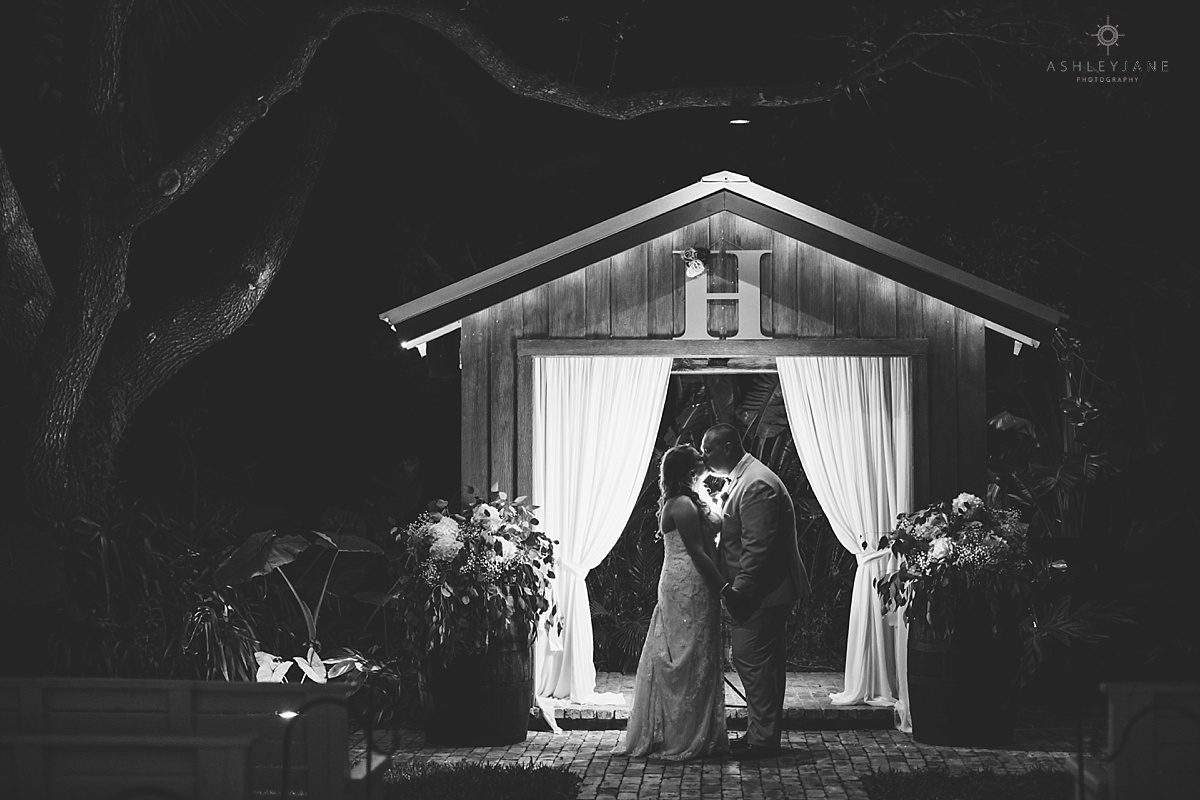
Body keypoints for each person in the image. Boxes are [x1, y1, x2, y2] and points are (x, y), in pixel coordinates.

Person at [701, 423, 810, 759]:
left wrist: (739, 591)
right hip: (766, 591)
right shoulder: (747, 479)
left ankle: (762, 741)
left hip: (762, 593)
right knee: (765, 664)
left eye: (709, 451)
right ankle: (761, 734)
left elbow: (758, 548)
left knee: (751, 660)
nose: (704, 458)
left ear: (729, 448)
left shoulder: (757, 483)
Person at [616, 444, 728, 760]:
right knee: (687, 653)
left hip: (693, 579)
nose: (705, 456)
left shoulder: (694, 497)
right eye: (698, 455)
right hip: (687, 581)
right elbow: (698, 552)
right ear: (688, 470)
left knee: (699, 651)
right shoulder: (680, 504)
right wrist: (724, 588)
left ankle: (698, 729)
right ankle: (683, 733)